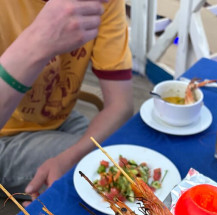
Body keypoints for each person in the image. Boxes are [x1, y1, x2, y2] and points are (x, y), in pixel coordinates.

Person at [0, 0, 134, 202]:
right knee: (100, 172)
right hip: (6, 135)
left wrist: (71, 156)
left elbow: (121, 105)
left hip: (58, 117)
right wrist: (36, 42)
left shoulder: (105, 3)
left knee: (122, 158)